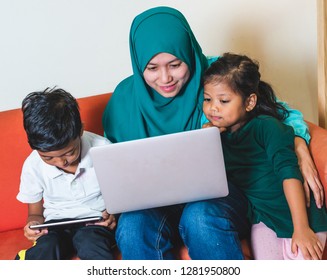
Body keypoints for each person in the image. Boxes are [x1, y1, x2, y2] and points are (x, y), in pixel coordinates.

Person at [102, 6, 323, 259]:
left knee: (200, 216)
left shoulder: (212, 76)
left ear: (188, 53)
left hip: (218, 198)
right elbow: (115, 169)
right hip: (154, 204)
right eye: (152, 68)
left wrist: (299, 144)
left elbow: (279, 112)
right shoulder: (123, 101)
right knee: (132, 226)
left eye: (175, 64)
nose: (165, 78)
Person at [202, 52, 327, 260]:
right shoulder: (216, 136)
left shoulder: (267, 127)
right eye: (207, 99)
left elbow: (289, 174)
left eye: (223, 101)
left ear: (249, 102)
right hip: (264, 220)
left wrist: (302, 228)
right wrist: (206, 140)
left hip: (300, 218)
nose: (213, 107)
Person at [16, 88, 116, 260]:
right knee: (47, 246)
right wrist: (33, 223)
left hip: (94, 223)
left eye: (69, 153)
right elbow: (35, 214)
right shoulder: (33, 165)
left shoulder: (103, 149)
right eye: (48, 157)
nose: (61, 162)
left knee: (91, 244)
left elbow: (118, 197)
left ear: (81, 131)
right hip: (55, 225)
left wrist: (112, 214)